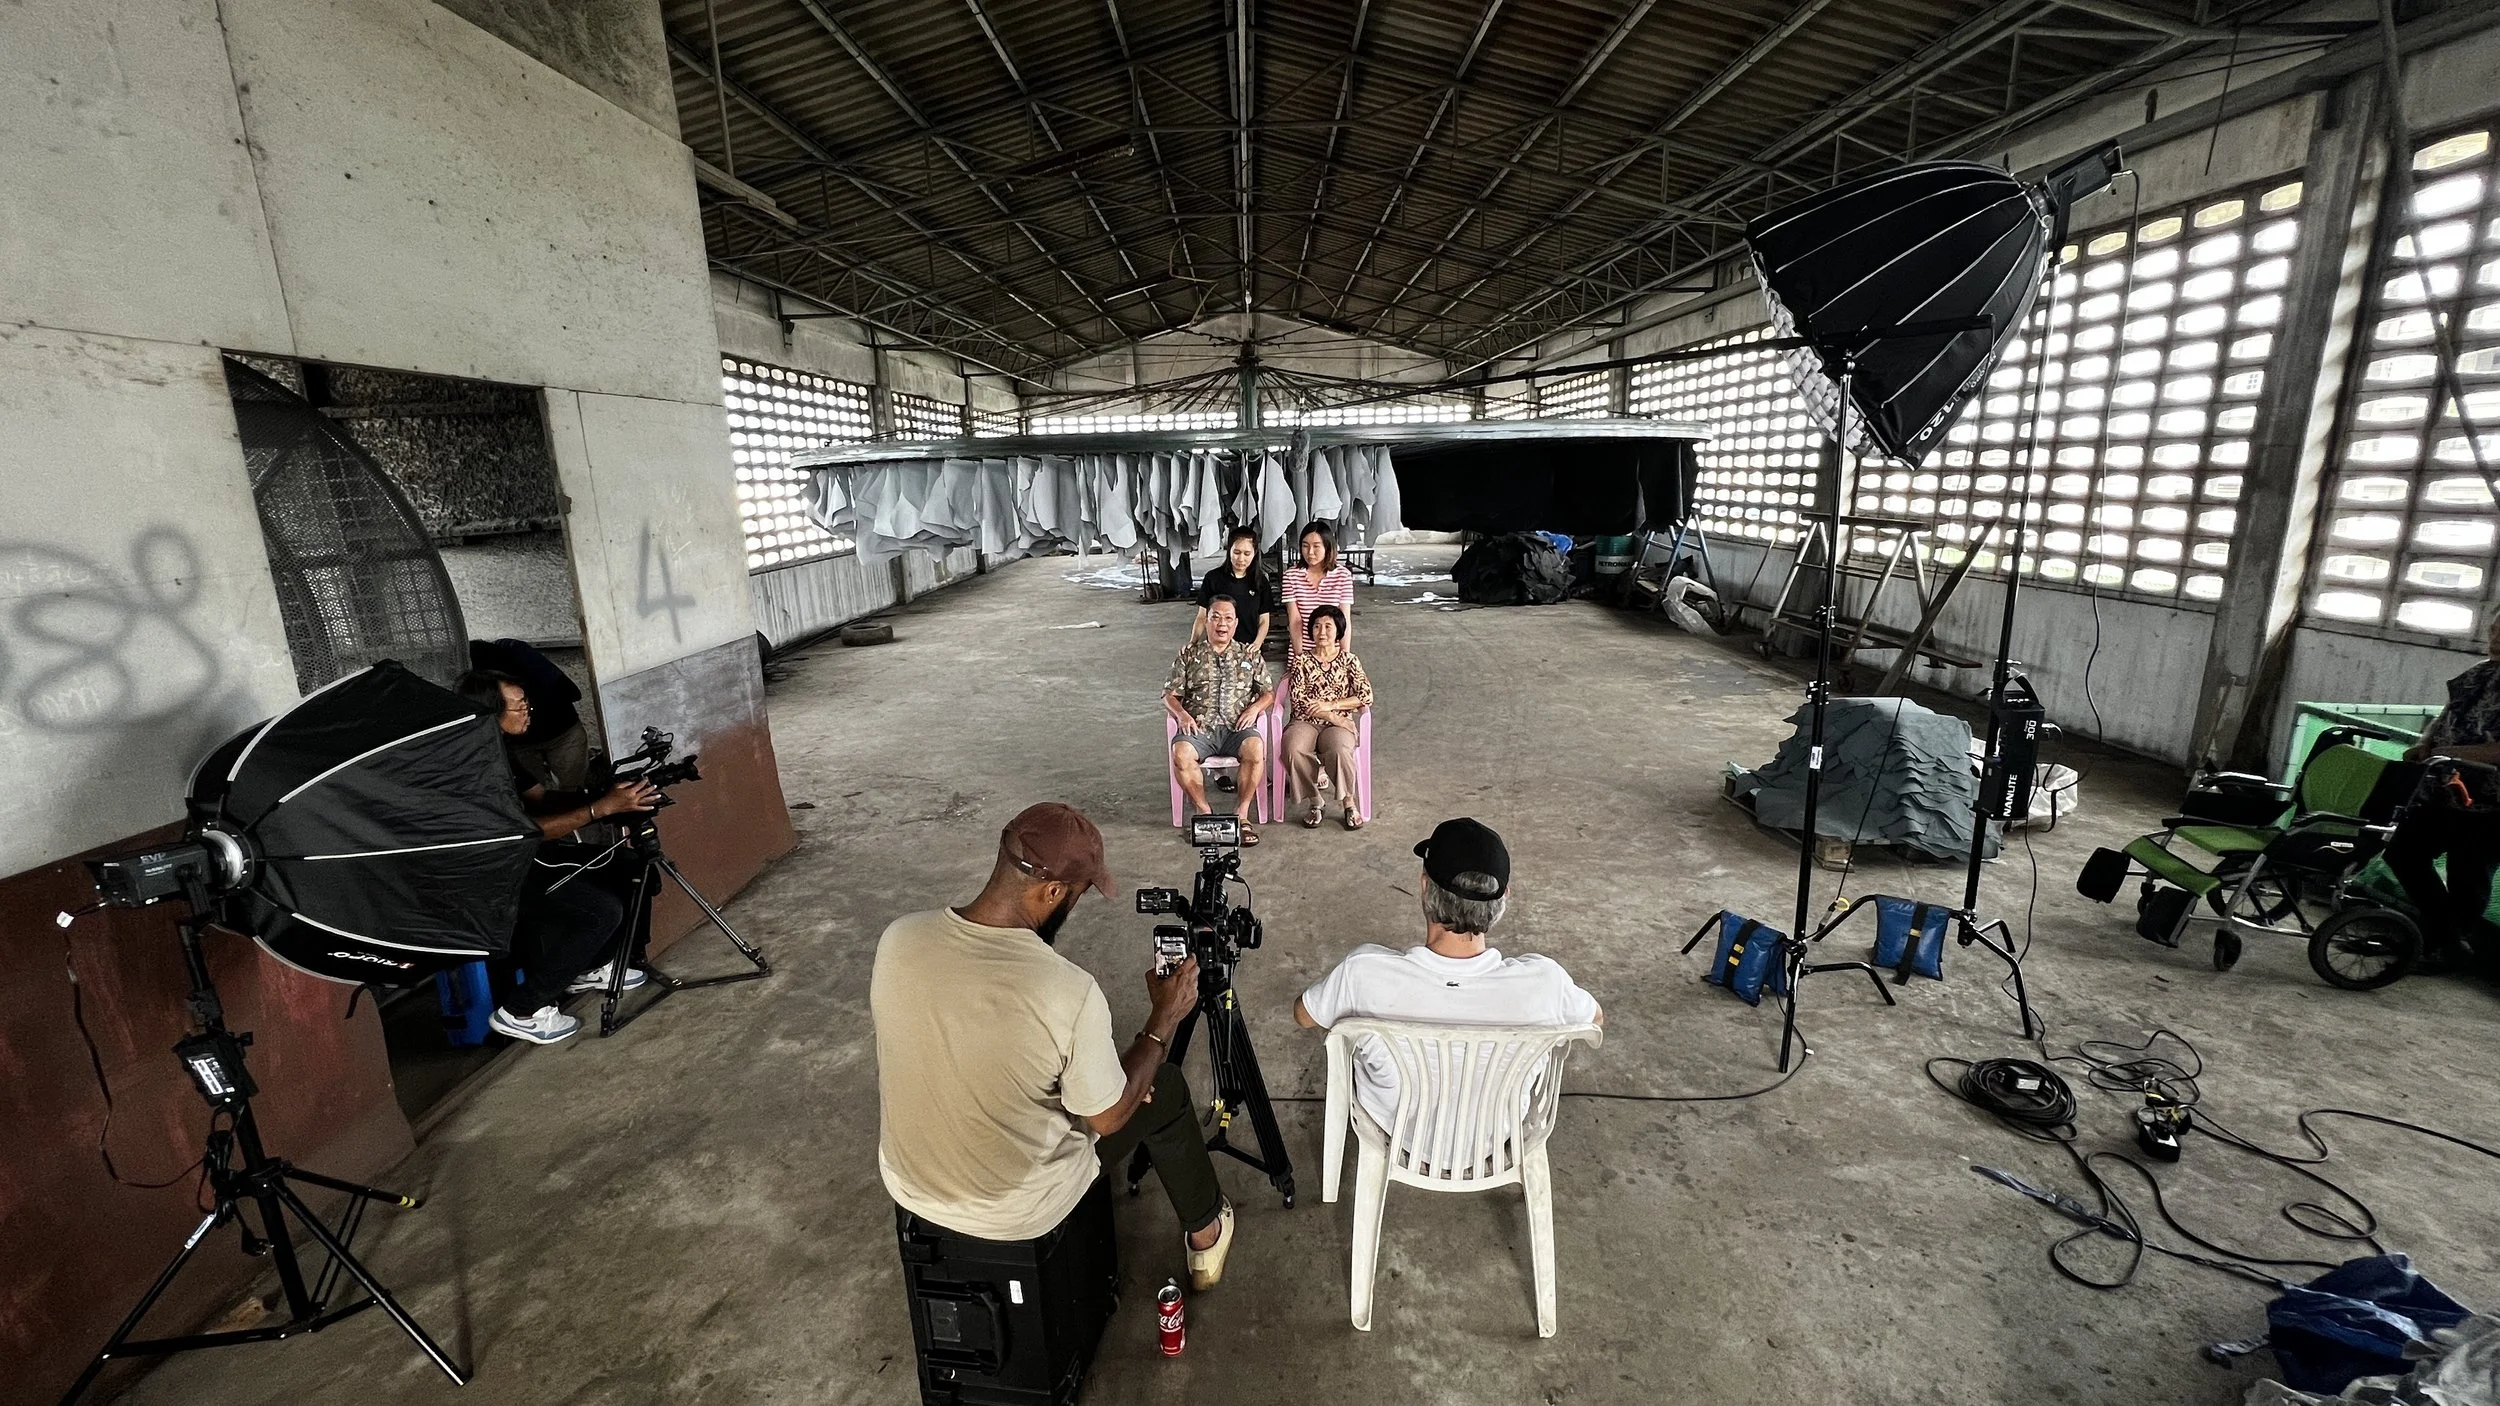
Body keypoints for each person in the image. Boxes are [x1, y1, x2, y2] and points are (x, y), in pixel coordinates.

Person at [872, 803, 1236, 1289]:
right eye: (1079, 895)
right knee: (1161, 1085)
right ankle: (1207, 1236)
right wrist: (1162, 1020)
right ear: (1052, 892)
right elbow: (1104, 1118)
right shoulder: (1067, 990)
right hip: (1019, 1207)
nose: (1074, 906)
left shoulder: (898, 939)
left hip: (909, 1186)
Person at [1295, 818, 1601, 1133]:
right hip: (1496, 1135)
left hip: (1396, 1133)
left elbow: (1305, 1015)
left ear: (1425, 886)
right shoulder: (1545, 981)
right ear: (1503, 898)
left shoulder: (1363, 972)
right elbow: (1595, 1019)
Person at [458, 669, 655, 1045]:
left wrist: (603, 795)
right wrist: (599, 809)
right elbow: (526, 829)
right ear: (490, 711)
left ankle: (593, 966)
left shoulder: (496, 747)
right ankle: (522, 1010)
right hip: (494, 876)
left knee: (630, 867)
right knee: (601, 910)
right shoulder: (475, 767)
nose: (529, 709)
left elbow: (539, 799)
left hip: (524, 858)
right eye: (519, 705)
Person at [2389, 617, 2500, 971]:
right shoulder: (2480, 673)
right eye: (2495, 629)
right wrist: (2425, 744)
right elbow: (2443, 718)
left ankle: (2444, 947)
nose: (2496, 637)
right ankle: (2445, 937)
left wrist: (2452, 753)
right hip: (2446, 787)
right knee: (2403, 852)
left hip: (2491, 800)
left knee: (2469, 873)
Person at [1165, 596, 1276, 845]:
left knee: (1255, 748)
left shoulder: (1249, 655)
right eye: (1215, 617)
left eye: (1228, 618)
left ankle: (1242, 816)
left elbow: (1269, 692)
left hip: (1237, 728)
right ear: (1206, 621)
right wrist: (1182, 714)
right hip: (1199, 728)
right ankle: (1204, 813)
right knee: (1181, 752)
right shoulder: (1189, 655)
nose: (1221, 623)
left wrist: (1254, 709)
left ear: (1236, 624)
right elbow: (1169, 695)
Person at [1283, 604, 1374, 831]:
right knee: (1293, 749)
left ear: (1338, 631)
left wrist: (1332, 706)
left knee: (1340, 750)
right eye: (1316, 626)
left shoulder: (1349, 660)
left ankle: (1348, 803)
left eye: (1327, 627)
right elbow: (1299, 699)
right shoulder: (1301, 661)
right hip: (1306, 721)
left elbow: (1365, 695)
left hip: (1337, 724)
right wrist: (1336, 717)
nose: (1321, 632)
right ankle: (1315, 801)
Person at [468, 638, 591, 790]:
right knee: (534, 797)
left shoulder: (515, 652)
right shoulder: (470, 679)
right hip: (520, 746)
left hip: (561, 732)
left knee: (573, 791)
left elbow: (570, 691)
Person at [1192, 525, 1277, 652]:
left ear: (1255, 553)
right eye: (1236, 552)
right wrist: (1193, 642)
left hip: (1248, 649)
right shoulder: (1213, 578)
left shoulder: (1260, 582)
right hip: (1217, 648)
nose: (1241, 559)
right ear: (1229, 550)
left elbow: (1264, 620)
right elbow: (1202, 616)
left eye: (1247, 554)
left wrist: (1257, 644)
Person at [1282, 519, 1356, 661]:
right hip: (1302, 651)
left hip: (1333, 654)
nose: (1310, 552)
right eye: (1305, 546)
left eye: (1316, 546)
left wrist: (1344, 657)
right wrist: (1300, 658)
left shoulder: (1343, 575)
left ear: (1328, 547)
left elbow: (1344, 619)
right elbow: (1295, 620)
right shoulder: (1291, 576)